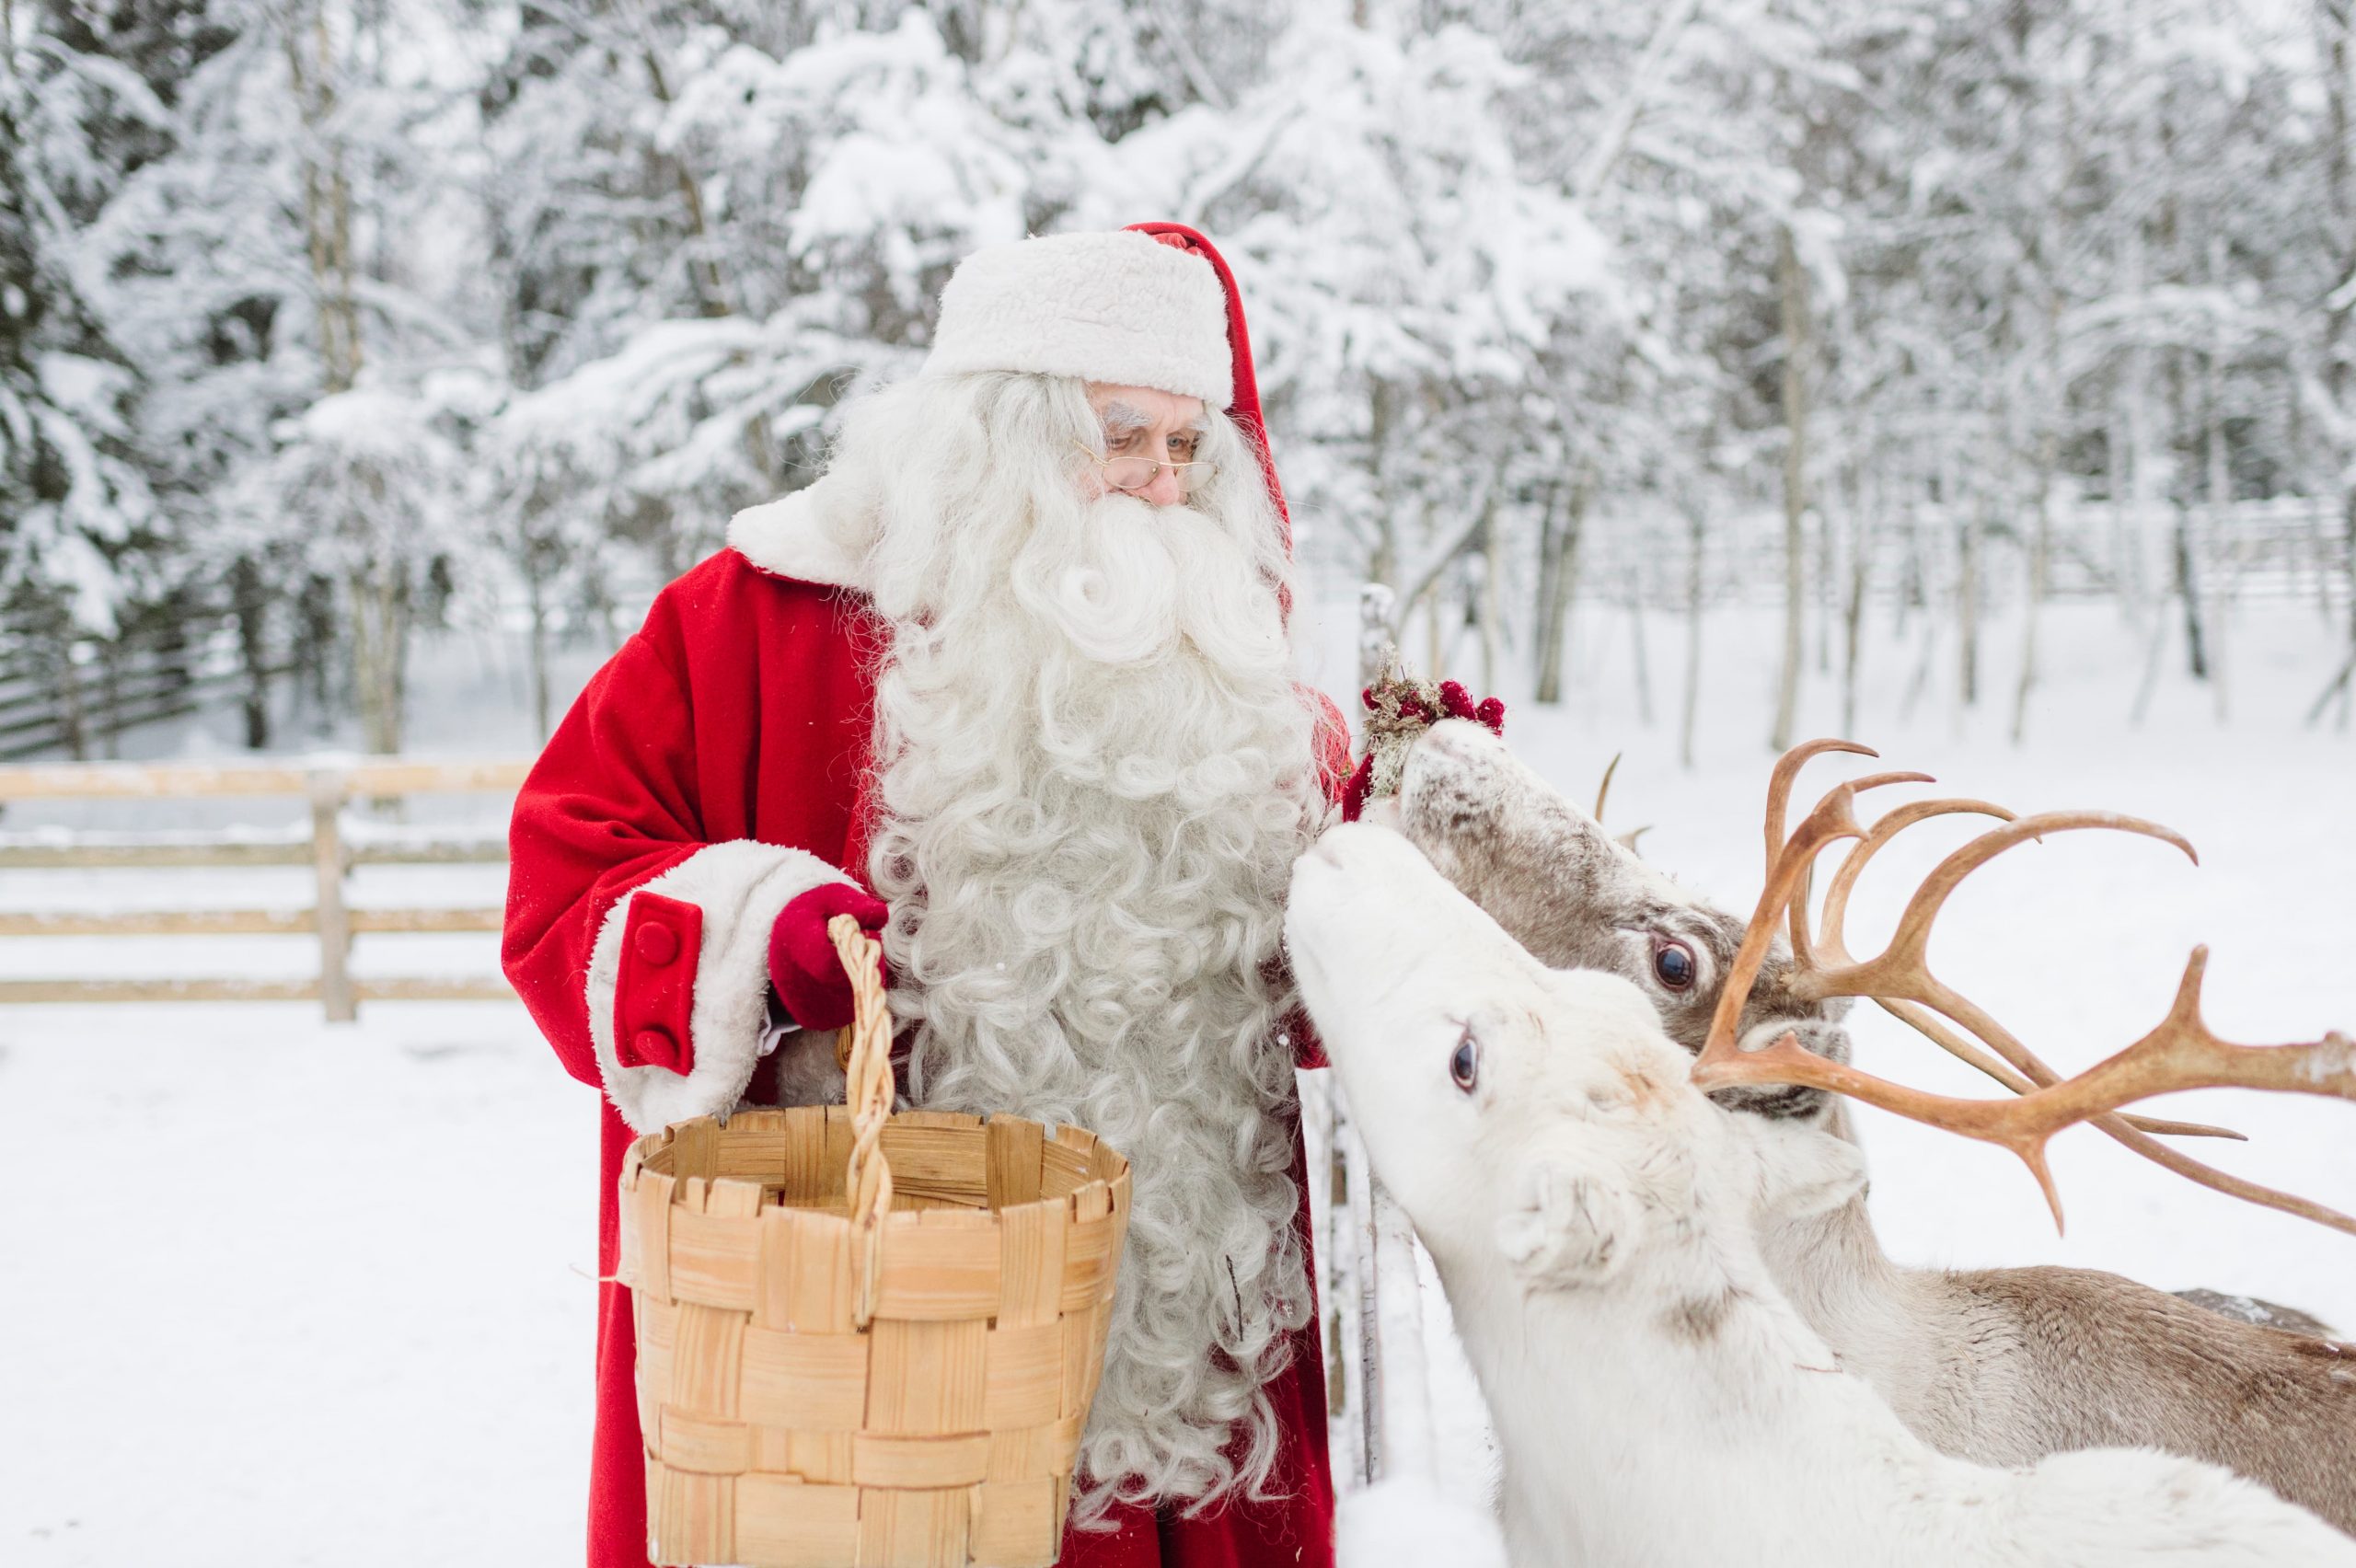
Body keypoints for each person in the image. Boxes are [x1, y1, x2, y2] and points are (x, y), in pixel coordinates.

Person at [502, 222, 1350, 1568]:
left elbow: (1312, 967)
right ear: (993, 439)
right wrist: (745, 930)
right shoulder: (749, 624)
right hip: (843, 1382)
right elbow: (569, 875)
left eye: (1189, 450)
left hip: (1181, 1379)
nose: (1159, 486)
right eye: (1123, 435)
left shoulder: (1228, 670)